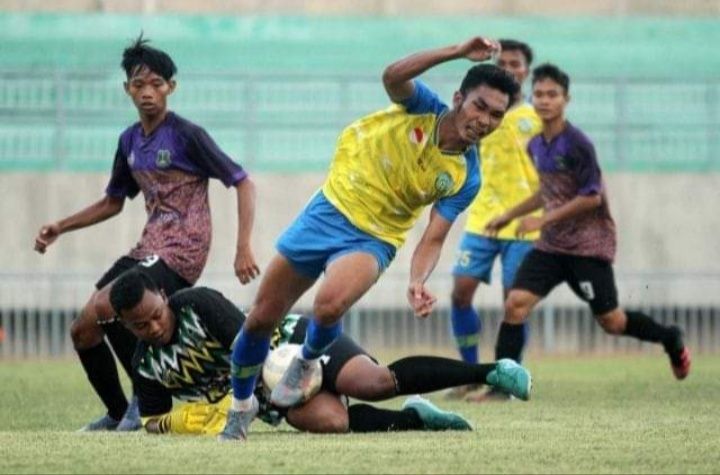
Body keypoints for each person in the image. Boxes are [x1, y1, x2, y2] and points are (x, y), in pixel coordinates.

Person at [224, 35, 520, 442]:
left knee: (329, 307)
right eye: (480, 106)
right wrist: (454, 52)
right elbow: (392, 76)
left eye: (497, 115)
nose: (485, 120)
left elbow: (433, 238)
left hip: (375, 237)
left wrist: (418, 279)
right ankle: (240, 407)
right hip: (328, 209)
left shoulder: (466, 176)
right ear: (459, 98)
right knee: (260, 319)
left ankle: (306, 361)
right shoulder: (424, 108)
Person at [32, 35, 259, 431]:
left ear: (171, 87)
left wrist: (243, 248)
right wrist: (61, 227)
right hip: (148, 248)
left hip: (183, 248)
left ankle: (143, 396)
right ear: (127, 89)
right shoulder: (129, 141)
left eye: (156, 84)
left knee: (108, 307)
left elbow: (242, 182)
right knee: (83, 328)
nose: (148, 93)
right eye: (139, 85)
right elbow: (113, 201)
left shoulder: (187, 135)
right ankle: (120, 412)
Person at [107, 269, 532, 436]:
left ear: (164, 296)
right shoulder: (145, 364)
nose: (155, 326)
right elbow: (152, 419)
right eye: (140, 325)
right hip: (272, 397)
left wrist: (233, 402)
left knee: (373, 382)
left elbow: (249, 344)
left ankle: (491, 371)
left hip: (295, 344)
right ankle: (416, 418)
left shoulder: (195, 303)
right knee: (331, 421)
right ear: (127, 325)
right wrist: (188, 421)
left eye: (157, 314)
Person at [484, 63, 691, 388]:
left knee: (612, 321)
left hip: (587, 248)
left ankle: (670, 338)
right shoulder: (536, 145)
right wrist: (509, 216)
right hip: (551, 247)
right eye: (538, 94)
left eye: (552, 94)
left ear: (566, 99)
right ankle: (500, 387)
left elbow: (591, 197)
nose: (544, 100)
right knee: (515, 304)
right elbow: (547, 192)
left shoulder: (578, 144)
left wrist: (543, 219)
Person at [448, 39, 542, 400]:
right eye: (502, 62)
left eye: (515, 63)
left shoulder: (536, 119)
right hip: (483, 219)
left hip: (524, 222)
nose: (508, 68)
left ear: (526, 71)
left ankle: (505, 381)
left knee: (514, 302)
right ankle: (472, 373)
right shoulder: (481, 111)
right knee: (460, 292)